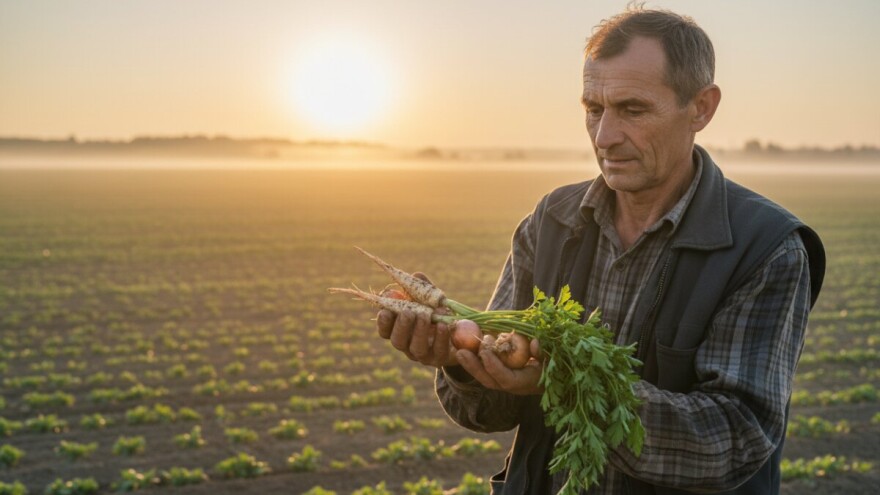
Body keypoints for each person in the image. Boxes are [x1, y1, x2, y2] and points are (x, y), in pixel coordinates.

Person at [376, 6, 825, 495]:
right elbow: (489, 413)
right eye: (593, 109)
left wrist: (563, 383)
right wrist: (462, 363)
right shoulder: (552, 221)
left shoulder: (765, 248)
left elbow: (733, 438)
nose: (605, 137)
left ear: (701, 108)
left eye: (633, 109)